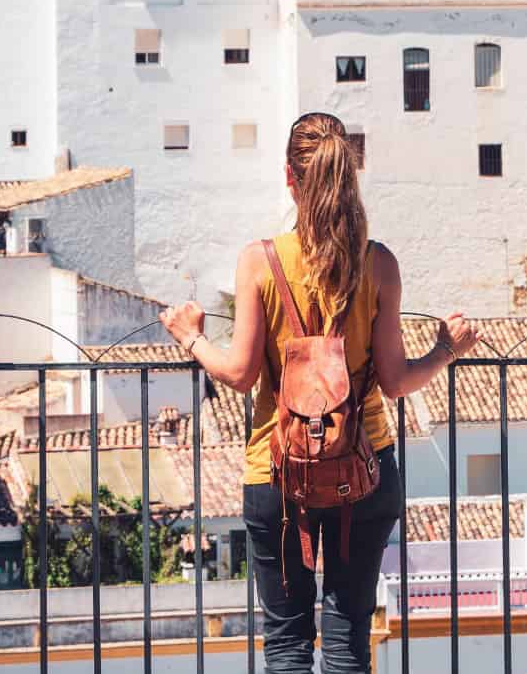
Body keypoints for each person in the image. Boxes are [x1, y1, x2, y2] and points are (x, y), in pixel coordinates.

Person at [161, 111, 477, 673]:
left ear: (290, 177)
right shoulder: (377, 264)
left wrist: (191, 337)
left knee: (286, 643)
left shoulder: (260, 261)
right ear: (348, 179)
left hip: (277, 471)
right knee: (348, 636)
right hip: (365, 468)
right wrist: (446, 349)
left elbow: (237, 373)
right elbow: (398, 381)